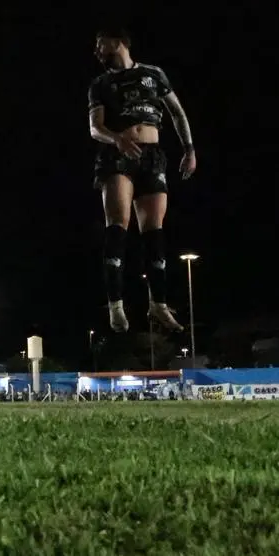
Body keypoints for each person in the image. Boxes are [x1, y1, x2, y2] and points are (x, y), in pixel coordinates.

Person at [87, 29, 196, 333]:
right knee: (118, 225)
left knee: (154, 232)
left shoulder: (153, 74)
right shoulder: (100, 84)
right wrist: (117, 139)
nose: (97, 51)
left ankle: (158, 304)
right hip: (117, 154)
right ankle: (116, 305)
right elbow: (95, 127)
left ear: (117, 42)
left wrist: (189, 149)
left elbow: (177, 112)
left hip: (152, 156)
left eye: (100, 44)